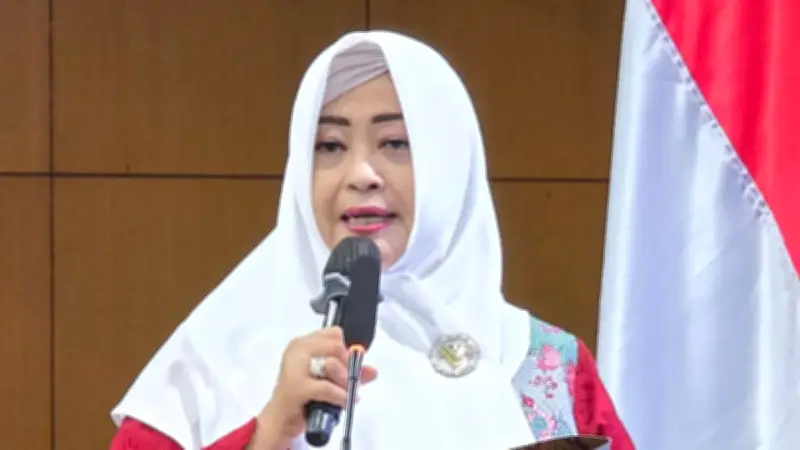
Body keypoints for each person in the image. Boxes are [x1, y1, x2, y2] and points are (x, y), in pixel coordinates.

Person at [108, 30, 635, 450]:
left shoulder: (546, 364)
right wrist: (269, 432)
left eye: (395, 143)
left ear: (452, 165)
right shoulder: (214, 362)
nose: (361, 173)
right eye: (330, 145)